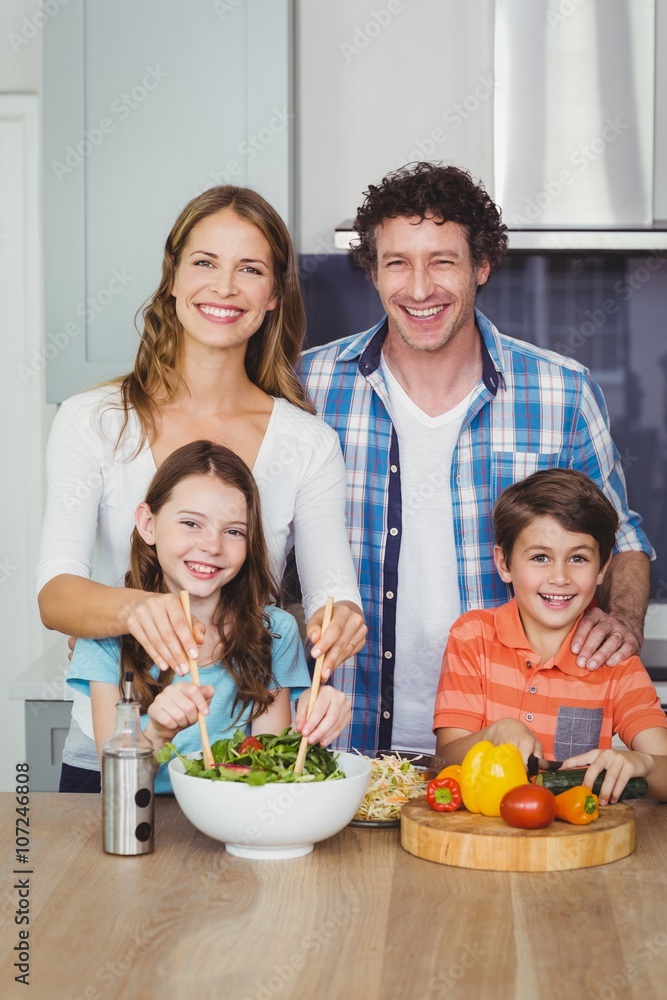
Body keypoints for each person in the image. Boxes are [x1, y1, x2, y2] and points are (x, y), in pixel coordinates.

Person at [298, 162, 653, 755]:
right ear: (374, 272)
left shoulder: (561, 392)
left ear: (481, 266)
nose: (418, 288)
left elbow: (625, 539)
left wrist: (622, 622)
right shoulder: (310, 386)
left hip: (509, 759)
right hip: (347, 747)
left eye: (442, 261)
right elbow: (260, 544)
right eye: (397, 263)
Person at [37, 186, 366, 770]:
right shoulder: (92, 420)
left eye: (250, 270)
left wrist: (337, 623)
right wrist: (137, 610)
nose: (224, 287)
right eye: (205, 263)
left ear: (273, 297)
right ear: (172, 278)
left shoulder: (309, 444)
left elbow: (331, 597)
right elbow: (57, 594)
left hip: (242, 764)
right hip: (113, 757)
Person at [63, 441, 351, 793]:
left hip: (233, 822)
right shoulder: (106, 633)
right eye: (191, 523)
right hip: (148, 822)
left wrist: (311, 728)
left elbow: (271, 774)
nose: (212, 545)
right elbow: (118, 786)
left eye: (233, 531)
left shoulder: (275, 632)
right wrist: (158, 731)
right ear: (148, 524)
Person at [434, 469, 667, 804]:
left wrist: (642, 763)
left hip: (575, 845)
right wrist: (493, 735)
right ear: (504, 563)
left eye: (578, 558)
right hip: (480, 839)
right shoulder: (473, 637)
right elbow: (444, 762)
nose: (560, 577)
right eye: (540, 557)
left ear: (602, 568)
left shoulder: (615, 662)